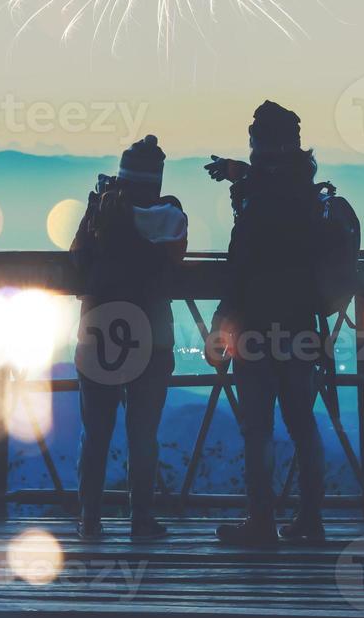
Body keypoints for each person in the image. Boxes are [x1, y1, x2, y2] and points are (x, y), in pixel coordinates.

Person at [207, 102, 333, 547]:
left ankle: (260, 521)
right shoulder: (306, 190)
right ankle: (311, 519)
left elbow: (243, 263)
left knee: (258, 428)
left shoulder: (260, 198)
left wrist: (222, 320)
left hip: (257, 329)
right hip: (301, 325)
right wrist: (240, 175)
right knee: (303, 423)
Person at [71, 135, 188, 540]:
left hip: (98, 330)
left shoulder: (101, 212)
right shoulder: (171, 216)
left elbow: (76, 255)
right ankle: (141, 517)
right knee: (143, 432)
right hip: (151, 334)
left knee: (96, 431)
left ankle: (89, 519)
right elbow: (177, 257)